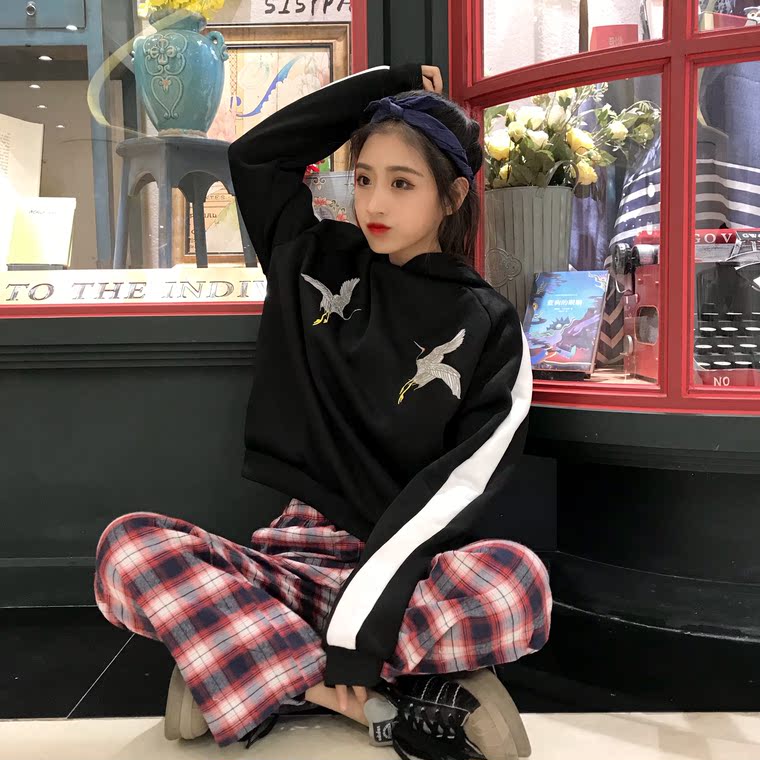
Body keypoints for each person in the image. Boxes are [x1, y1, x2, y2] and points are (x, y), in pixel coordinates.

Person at [93, 62, 552, 760]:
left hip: (405, 567)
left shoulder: (488, 323)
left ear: (453, 195)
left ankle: (249, 666)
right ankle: (372, 689)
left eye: (402, 183)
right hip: (290, 564)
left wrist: (362, 624)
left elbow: (462, 485)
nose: (375, 202)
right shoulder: (313, 258)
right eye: (363, 178)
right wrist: (388, 84)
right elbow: (256, 156)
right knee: (128, 548)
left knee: (518, 582)